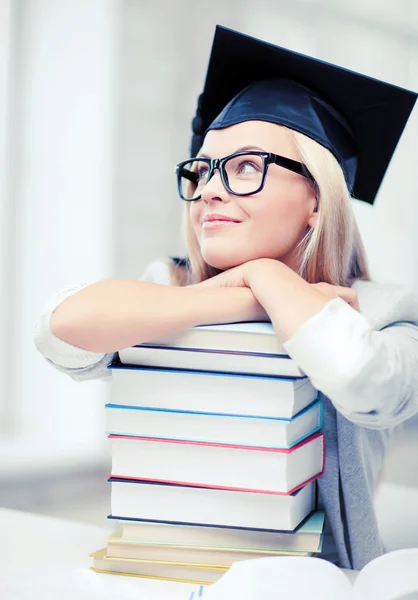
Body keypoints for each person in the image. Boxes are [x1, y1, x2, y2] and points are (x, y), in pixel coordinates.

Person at [34, 25, 418, 571]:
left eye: (244, 167)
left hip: (312, 578)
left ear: (317, 197)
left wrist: (269, 275)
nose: (210, 189)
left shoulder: (384, 311)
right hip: (164, 570)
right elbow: (58, 331)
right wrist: (239, 296)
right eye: (204, 168)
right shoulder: (171, 287)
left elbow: (368, 383)